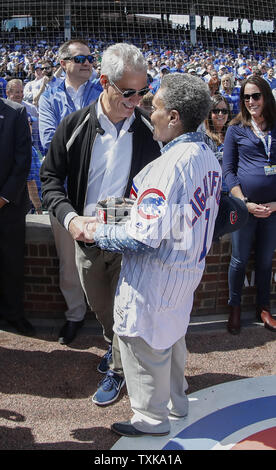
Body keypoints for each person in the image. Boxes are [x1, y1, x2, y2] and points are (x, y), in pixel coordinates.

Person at [83, 72, 222, 437]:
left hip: (154, 276)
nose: (148, 111)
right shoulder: (208, 155)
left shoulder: (163, 168)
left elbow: (143, 240)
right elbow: (179, 220)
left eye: (155, 106)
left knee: (139, 342)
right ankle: (177, 401)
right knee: (173, 336)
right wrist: (137, 210)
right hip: (186, 269)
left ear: (174, 116)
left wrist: (99, 231)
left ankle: (151, 419)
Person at [40, 43, 161, 404]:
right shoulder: (74, 125)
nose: (137, 100)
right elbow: (49, 179)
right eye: (128, 92)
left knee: (126, 311)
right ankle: (114, 349)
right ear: (105, 82)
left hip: (129, 239)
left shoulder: (146, 128)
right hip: (88, 238)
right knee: (104, 310)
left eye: (143, 91)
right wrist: (72, 219)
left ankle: (118, 370)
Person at [39, 39, 103, 345]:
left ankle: (108, 320)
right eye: (80, 58)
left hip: (101, 191)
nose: (87, 62)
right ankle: (75, 315)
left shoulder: (103, 92)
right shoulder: (48, 97)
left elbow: (109, 137)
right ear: (64, 63)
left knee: (107, 259)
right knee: (68, 263)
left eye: (90, 58)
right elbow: (49, 141)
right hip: (64, 194)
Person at [223, 75, 276, 335]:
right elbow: (228, 171)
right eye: (246, 97)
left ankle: (263, 307)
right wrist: (244, 202)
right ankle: (234, 307)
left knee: (266, 260)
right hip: (244, 209)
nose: (251, 101)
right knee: (239, 259)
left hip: (273, 210)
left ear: (266, 96)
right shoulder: (236, 128)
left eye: (256, 96)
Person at [0, 97, 35, 336]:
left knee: (11, 263)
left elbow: (23, 161)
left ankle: (14, 315)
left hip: (8, 206)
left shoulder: (16, 112)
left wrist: (3, 197)